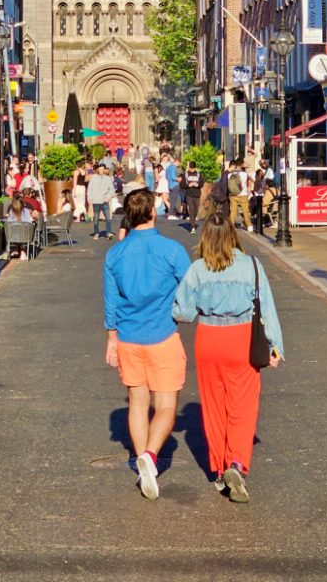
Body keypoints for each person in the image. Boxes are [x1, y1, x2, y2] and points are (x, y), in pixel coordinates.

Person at [173, 212, 284, 502]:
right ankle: (237, 462)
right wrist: (275, 347)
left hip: (209, 338)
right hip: (242, 338)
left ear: (206, 237)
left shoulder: (198, 269)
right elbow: (267, 308)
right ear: (233, 234)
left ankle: (220, 469)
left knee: (213, 407)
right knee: (243, 406)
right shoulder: (252, 266)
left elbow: (181, 313)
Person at [104, 188, 191, 500]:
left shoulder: (115, 254)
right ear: (153, 212)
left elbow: (111, 300)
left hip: (128, 337)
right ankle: (150, 457)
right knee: (166, 406)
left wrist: (111, 338)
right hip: (163, 335)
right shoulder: (172, 250)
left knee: (137, 403)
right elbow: (190, 288)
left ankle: (144, 464)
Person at [87, 163, 115, 240]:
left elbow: (112, 190)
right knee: (96, 219)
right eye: (99, 169)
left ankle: (108, 232)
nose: (101, 171)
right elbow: (90, 189)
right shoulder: (93, 178)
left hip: (105, 201)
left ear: (104, 170)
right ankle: (96, 233)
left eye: (102, 169)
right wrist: (89, 198)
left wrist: (108, 197)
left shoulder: (107, 179)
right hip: (96, 201)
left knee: (108, 218)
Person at [228, 160, 253, 232]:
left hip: (233, 194)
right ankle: (249, 225)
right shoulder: (244, 174)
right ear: (241, 165)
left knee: (233, 210)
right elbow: (247, 184)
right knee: (245, 210)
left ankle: (231, 225)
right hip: (243, 194)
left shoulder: (230, 174)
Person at [180, 162, 204, 233]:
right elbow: (182, 184)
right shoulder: (186, 174)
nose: (192, 170)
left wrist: (198, 185)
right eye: (191, 168)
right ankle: (192, 227)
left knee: (196, 208)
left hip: (196, 194)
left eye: (193, 168)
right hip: (189, 194)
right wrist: (189, 185)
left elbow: (202, 183)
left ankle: (193, 220)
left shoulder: (199, 174)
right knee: (191, 209)